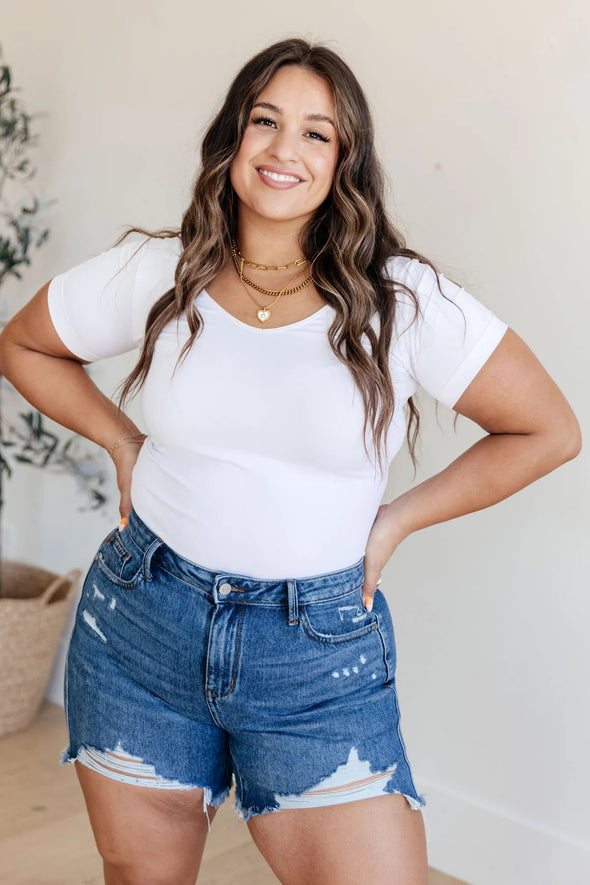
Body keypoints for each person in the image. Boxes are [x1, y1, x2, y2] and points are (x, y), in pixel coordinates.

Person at [0, 37, 581, 885]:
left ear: (346, 160)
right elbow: (25, 345)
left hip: (316, 654)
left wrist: (396, 520)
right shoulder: (159, 271)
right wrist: (123, 440)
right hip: (142, 624)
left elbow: (548, 430)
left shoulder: (403, 300)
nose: (284, 149)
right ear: (233, 137)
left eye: (317, 132)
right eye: (265, 120)